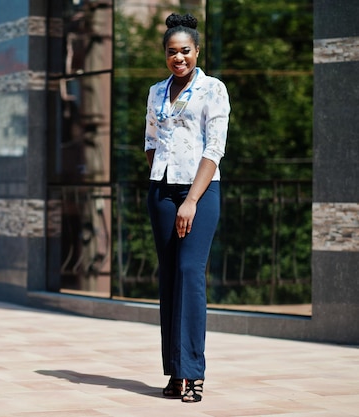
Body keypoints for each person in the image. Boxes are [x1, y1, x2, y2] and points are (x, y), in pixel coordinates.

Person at [144, 13, 230, 403]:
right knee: (169, 278)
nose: (178, 58)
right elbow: (150, 140)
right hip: (162, 192)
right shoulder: (156, 91)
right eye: (171, 52)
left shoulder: (213, 89)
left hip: (200, 192)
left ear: (197, 50)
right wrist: (162, 183)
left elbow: (214, 148)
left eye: (185, 51)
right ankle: (175, 372)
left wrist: (191, 200)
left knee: (190, 272)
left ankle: (194, 371)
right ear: (165, 54)